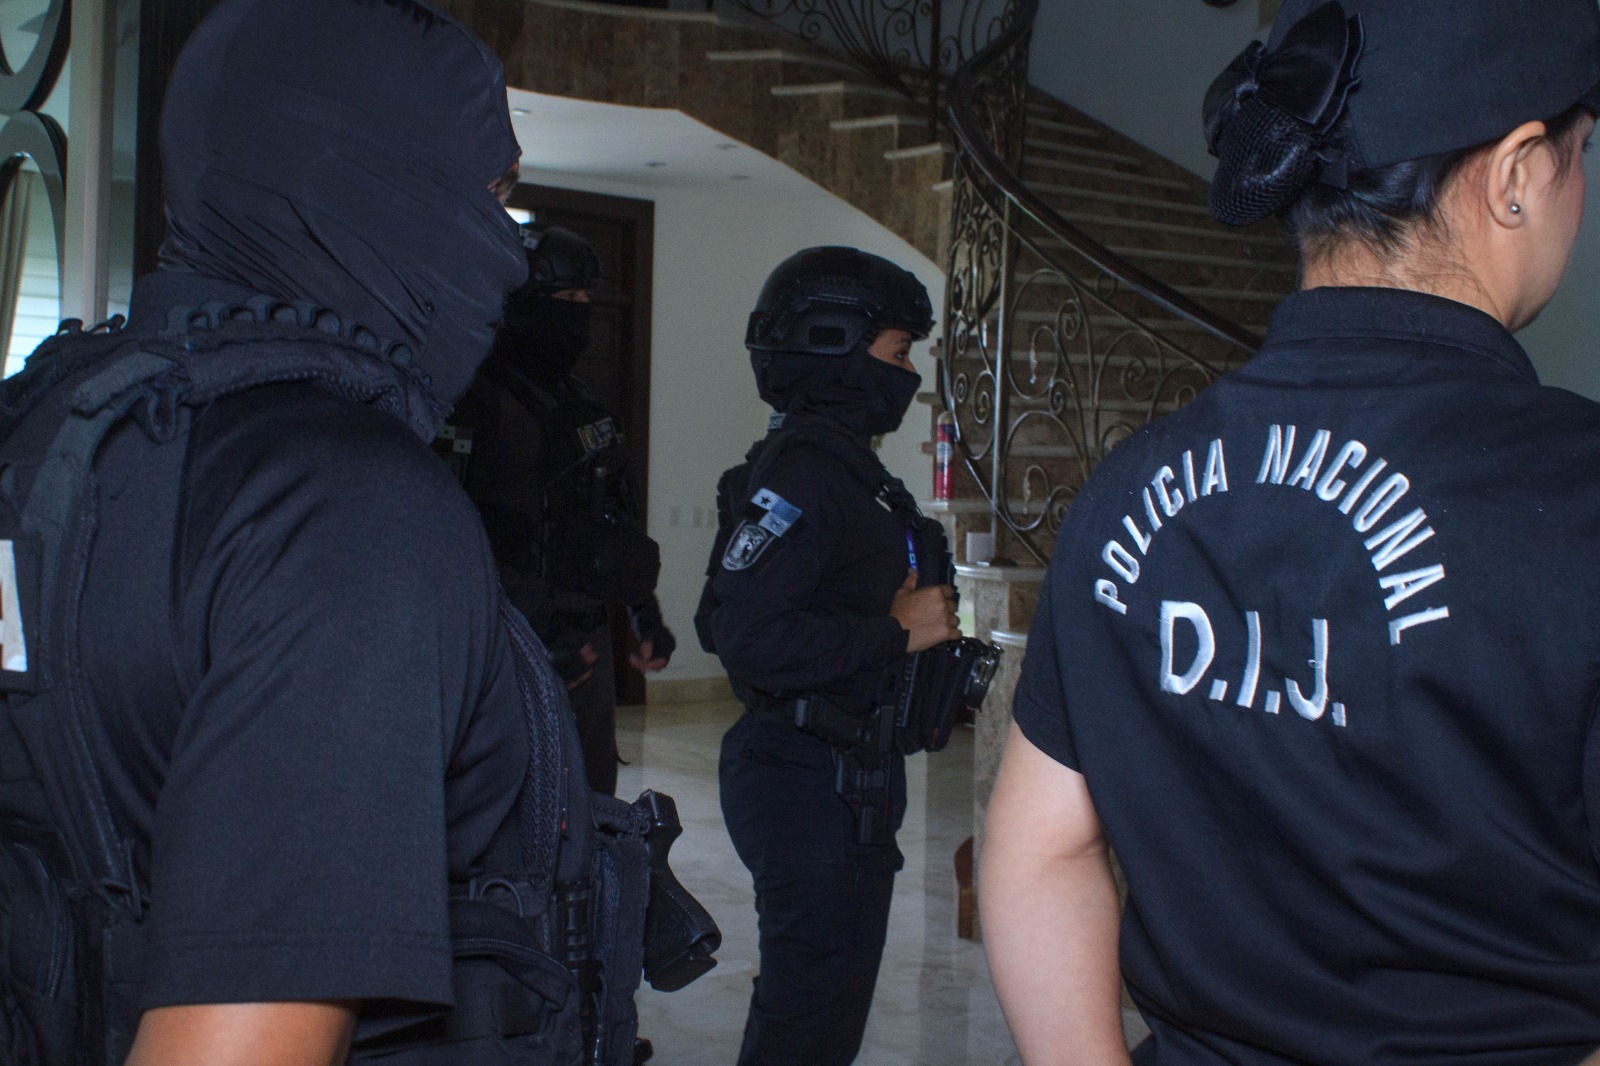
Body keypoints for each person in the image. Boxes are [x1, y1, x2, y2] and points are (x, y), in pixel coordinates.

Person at [0, 1, 661, 1063]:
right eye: (493, 195)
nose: (506, 250)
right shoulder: (349, 508)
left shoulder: (56, 422)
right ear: (378, 183)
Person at [982, 0, 1600, 1062]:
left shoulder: (1131, 484)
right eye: (1579, 154)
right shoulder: (1576, 498)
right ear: (1514, 174)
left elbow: (1039, 849)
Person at [698, 246, 959, 1065]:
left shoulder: (850, 470)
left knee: (829, 1014)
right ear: (834, 346)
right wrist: (894, 631)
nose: (908, 373)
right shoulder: (806, 474)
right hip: (802, 778)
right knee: (806, 1021)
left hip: (850, 778)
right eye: (898, 352)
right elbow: (743, 634)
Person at [449, 224, 673, 796]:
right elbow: (461, 541)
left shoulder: (583, 404)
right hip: (511, 646)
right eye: (566, 297)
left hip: (587, 642)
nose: (579, 311)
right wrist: (537, 637)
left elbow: (614, 518)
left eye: (585, 297)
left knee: (591, 803)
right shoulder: (473, 401)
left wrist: (644, 615)